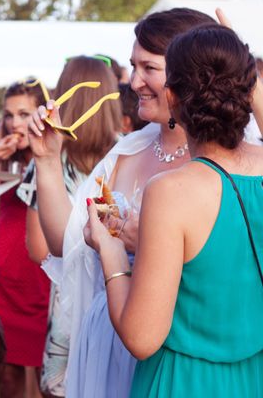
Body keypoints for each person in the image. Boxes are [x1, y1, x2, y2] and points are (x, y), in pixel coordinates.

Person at [28, 8, 219, 397]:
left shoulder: (220, 158)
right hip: (106, 337)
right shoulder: (126, 151)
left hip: (175, 341)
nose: (134, 82)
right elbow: (63, 243)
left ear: (191, 70)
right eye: (132, 66)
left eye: (149, 68)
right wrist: (47, 161)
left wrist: (146, 242)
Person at [85, 24, 263, 396]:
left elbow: (141, 337)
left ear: (173, 96)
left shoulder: (171, 192)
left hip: (183, 381)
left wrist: (111, 250)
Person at [23, 56, 121, 397]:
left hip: (70, 307)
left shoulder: (48, 159)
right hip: (123, 299)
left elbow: (39, 249)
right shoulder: (131, 154)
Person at [0, 81, 51, 398]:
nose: (15, 122)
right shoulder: (4, 153)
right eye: (9, 115)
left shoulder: (52, 151)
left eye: (24, 113)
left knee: (46, 377)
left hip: (39, 275)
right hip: (1, 279)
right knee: (7, 379)